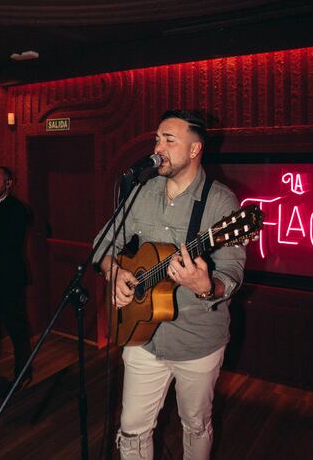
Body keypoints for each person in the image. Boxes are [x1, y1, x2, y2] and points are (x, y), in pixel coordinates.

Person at [93, 110, 246, 460]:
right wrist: (113, 272)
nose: (158, 147)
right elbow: (103, 244)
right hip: (142, 339)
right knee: (131, 429)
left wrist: (205, 286)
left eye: (168, 139)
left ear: (194, 150)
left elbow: (232, 274)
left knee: (195, 425)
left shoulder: (221, 203)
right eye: (157, 138)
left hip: (197, 341)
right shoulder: (142, 192)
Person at [0, 166, 32, 391]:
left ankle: (23, 373)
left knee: (16, 327)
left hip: (9, 279)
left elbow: (6, 244)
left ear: (8, 184)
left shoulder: (17, 209)